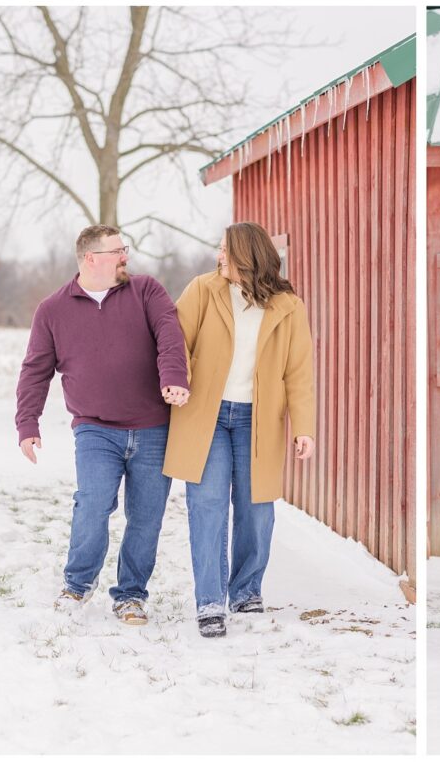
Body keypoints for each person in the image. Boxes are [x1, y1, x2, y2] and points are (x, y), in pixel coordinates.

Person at [15, 224, 189, 625]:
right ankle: (77, 585)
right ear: (91, 258)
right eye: (117, 251)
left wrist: (173, 377)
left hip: (153, 427)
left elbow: (169, 336)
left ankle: (130, 595)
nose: (125, 256)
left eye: (124, 249)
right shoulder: (53, 309)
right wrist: (28, 423)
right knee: (92, 504)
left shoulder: (146, 291)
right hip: (95, 428)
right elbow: (35, 371)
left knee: (146, 515)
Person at [163, 222, 316, 638]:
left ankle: (246, 591)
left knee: (255, 510)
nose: (219, 255)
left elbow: (298, 372)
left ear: (246, 255)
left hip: (259, 418)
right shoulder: (202, 290)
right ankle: (210, 601)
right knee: (207, 505)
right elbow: (175, 344)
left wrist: (304, 427)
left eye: (225, 249)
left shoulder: (288, 306)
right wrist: (179, 380)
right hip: (207, 416)